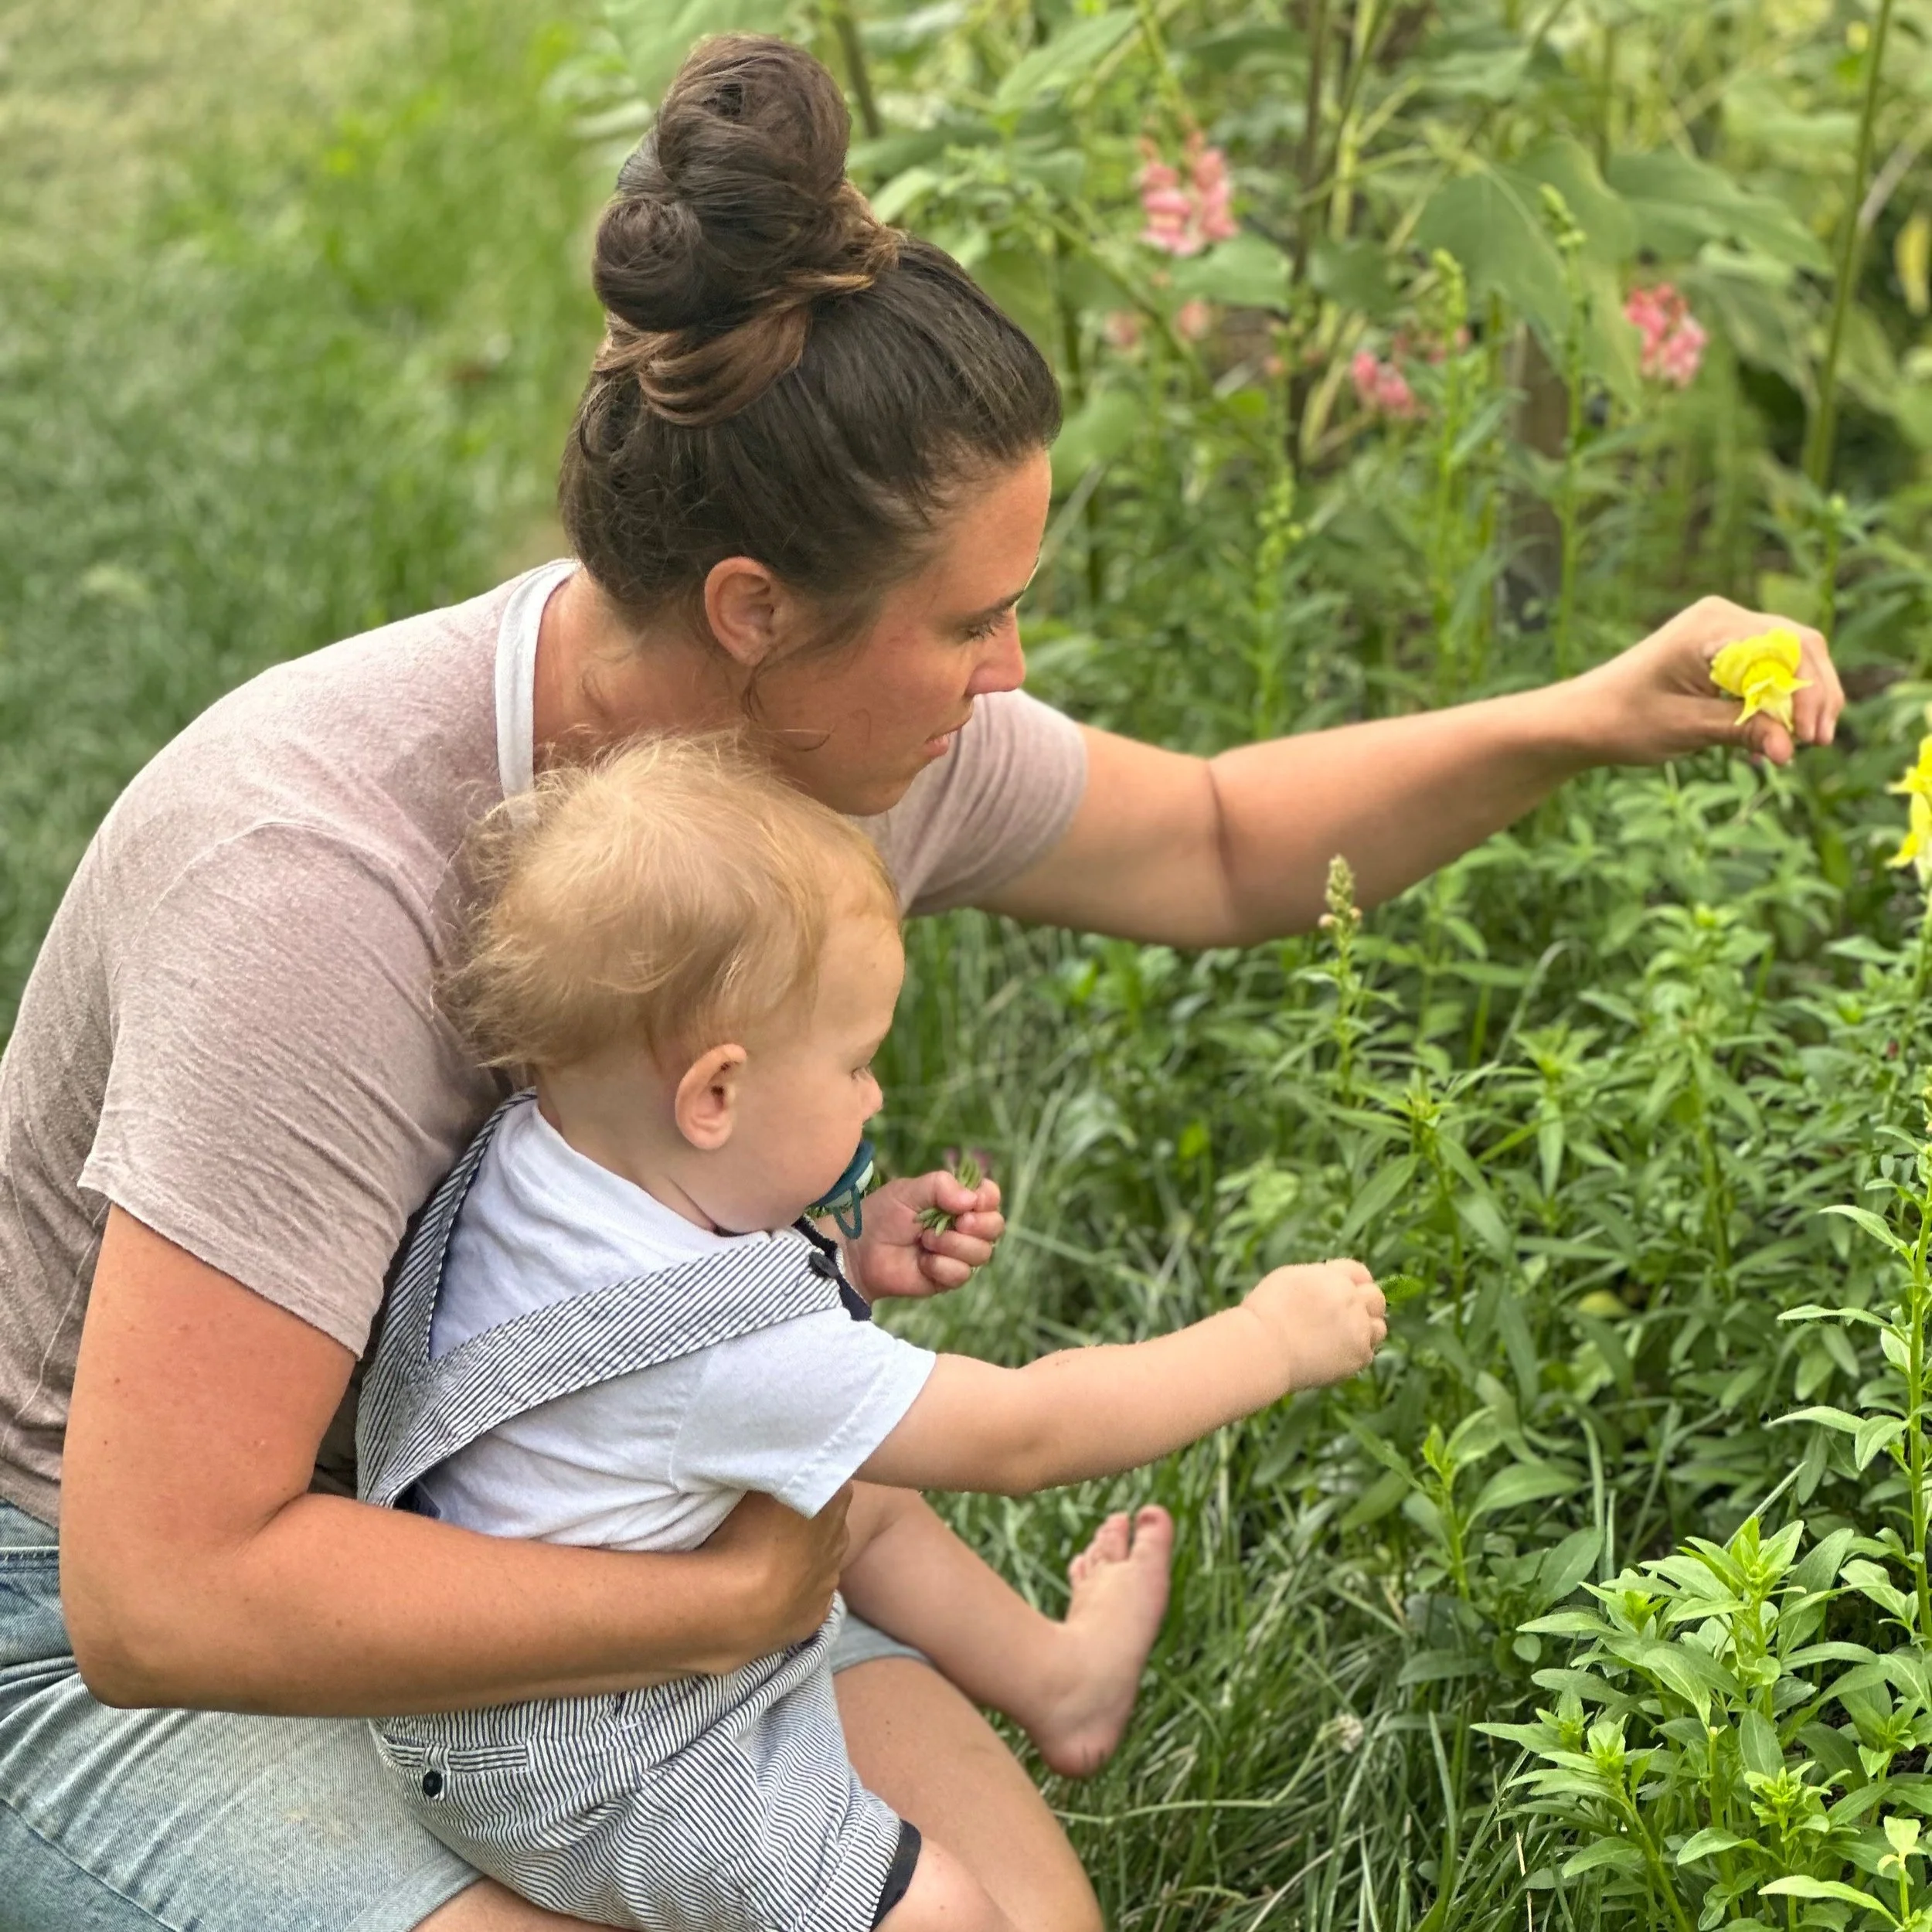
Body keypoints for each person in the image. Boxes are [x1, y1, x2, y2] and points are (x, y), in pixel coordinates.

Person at [0, 30, 1842, 1932]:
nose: (1009, 673)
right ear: (750, 613)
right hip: (102, 1621)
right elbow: (168, 1587)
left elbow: (1211, 839)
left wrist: (1587, 713)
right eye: (972, 619)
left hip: (612, 1518)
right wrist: (716, 1600)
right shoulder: (313, 880)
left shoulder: (823, 758)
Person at [356, 736, 1386, 1932]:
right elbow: (1026, 1434)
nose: (876, 1098)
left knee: (854, 1475)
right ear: (715, 1096)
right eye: (856, 1064)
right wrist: (1268, 1340)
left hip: (482, 1677)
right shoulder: (740, 1360)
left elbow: (648, 1343)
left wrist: (835, 1262)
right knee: (951, 1915)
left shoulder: (547, 1152)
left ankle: (1064, 1685)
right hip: (602, 1774)